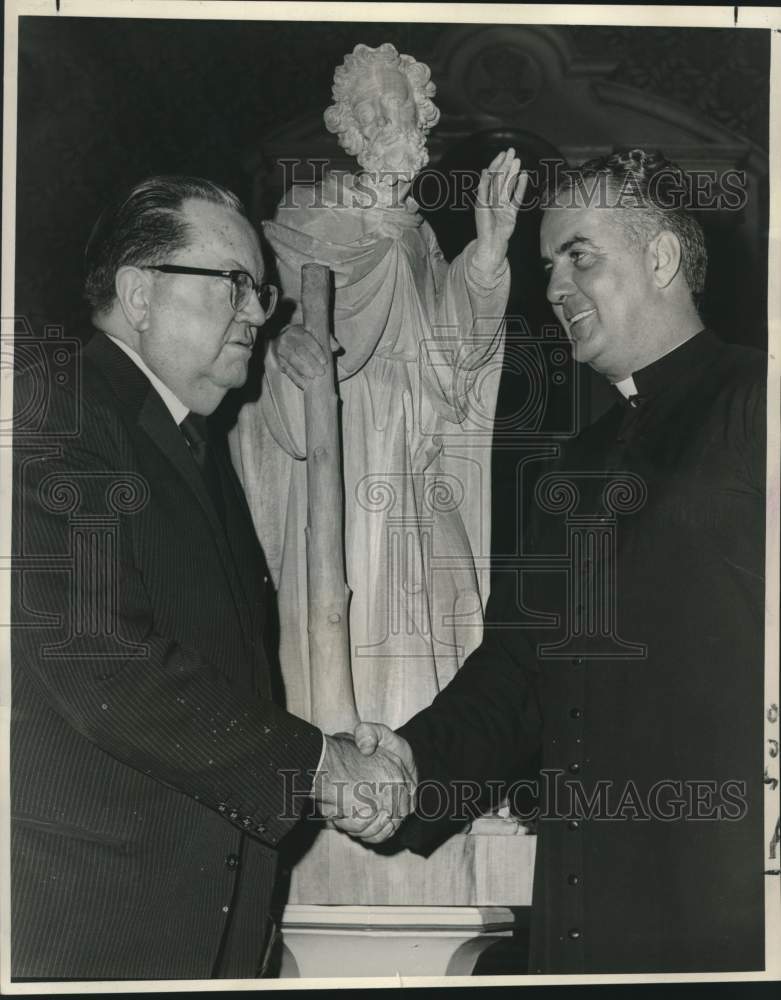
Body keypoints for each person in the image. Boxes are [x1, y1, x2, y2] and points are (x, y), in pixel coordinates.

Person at [340, 149, 768, 974]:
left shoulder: (758, 403)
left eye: (579, 256)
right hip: (586, 901)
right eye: (546, 266)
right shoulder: (574, 463)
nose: (555, 288)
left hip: (724, 900)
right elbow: (516, 674)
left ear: (661, 258)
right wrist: (411, 763)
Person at [10, 175, 412, 981]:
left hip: (202, 921)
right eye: (232, 283)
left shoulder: (192, 441)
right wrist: (318, 766)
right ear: (139, 294)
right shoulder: (56, 408)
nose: (259, 312)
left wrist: (327, 751)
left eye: (260, 290)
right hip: (96, 925)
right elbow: (102, 662)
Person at [232, 42, 525, 729]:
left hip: (420, 455)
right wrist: (287, 356)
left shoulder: (421, 241)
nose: (383, 121)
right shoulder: (309, 217)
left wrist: (487, 252)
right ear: (350, 131)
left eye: (394, 105)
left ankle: (429, 759)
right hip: (348, 443)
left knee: (439, 611)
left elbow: (455, 358)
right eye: (367, 112)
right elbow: (268, 343)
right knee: (357, 614)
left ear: (420, 118)